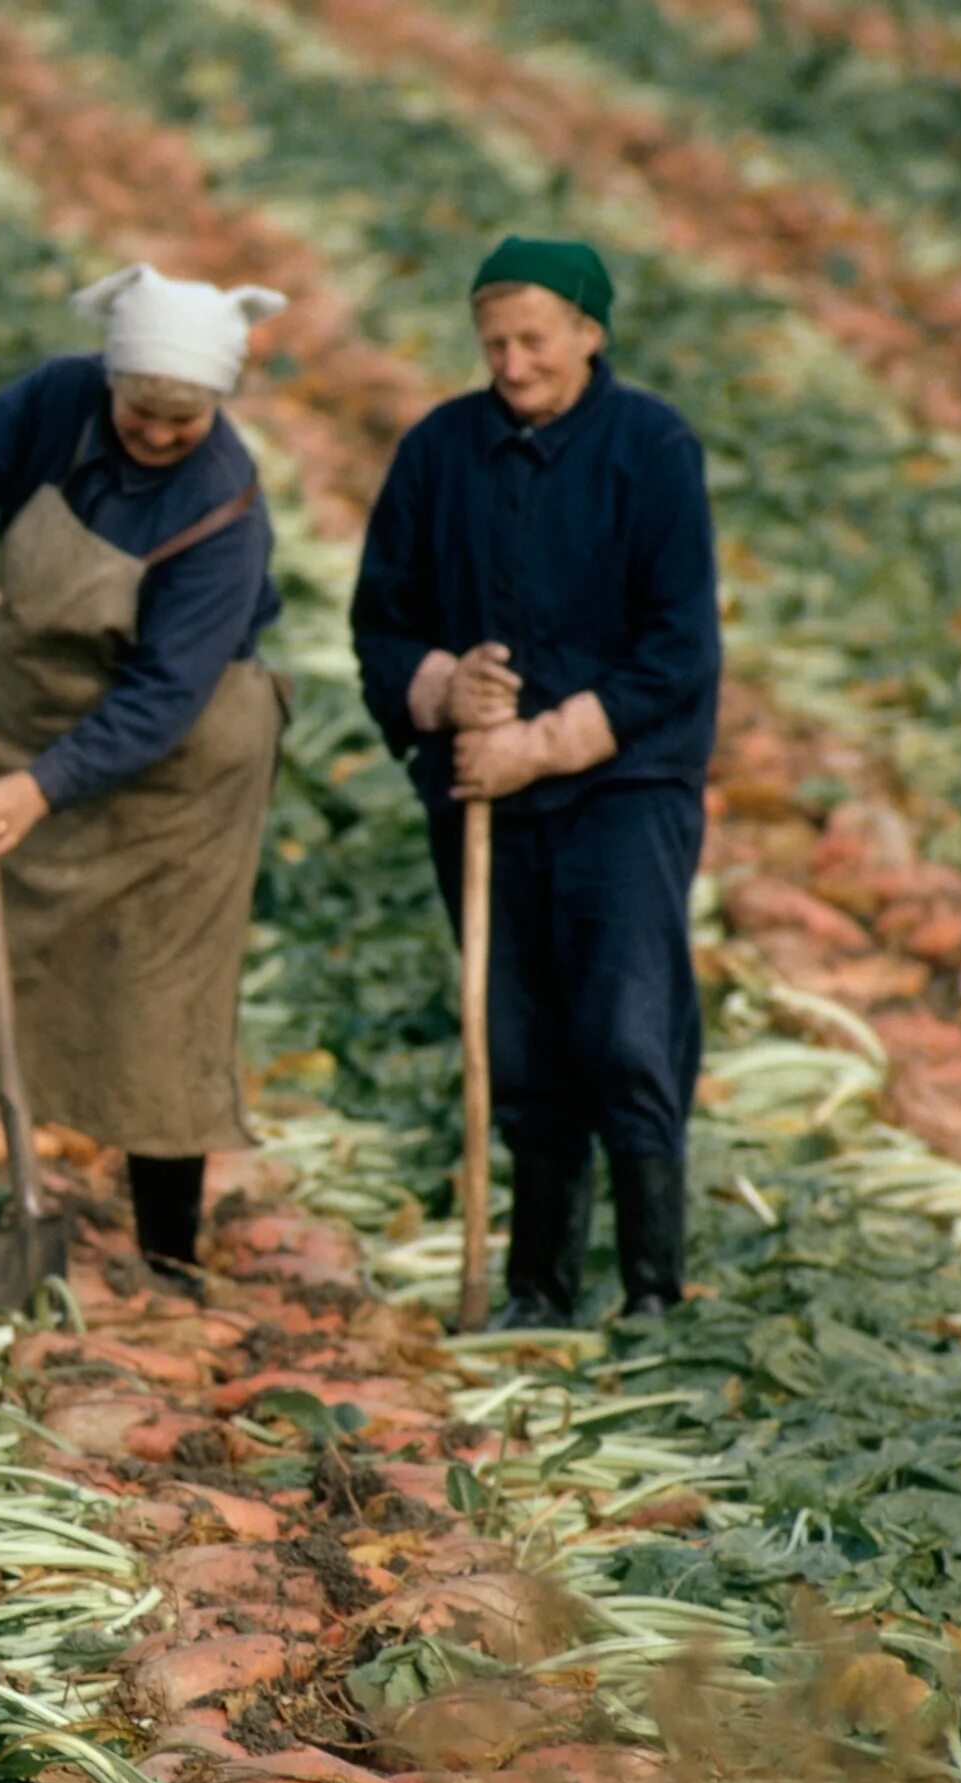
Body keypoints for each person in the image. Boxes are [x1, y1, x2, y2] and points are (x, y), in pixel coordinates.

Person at [0, 265, 292, 1286]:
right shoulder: (55, 402)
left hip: (175, 773)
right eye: (143, 409)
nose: (158, 432)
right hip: (20, 711)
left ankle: (169, 1260)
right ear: (113, 381)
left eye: (184, 420)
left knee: (157, 999)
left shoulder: (226, 509)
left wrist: (40, 790)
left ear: (217, 406)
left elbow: (162, 696)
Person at [351, 237, 720, 1328]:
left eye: (534, 341)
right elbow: (381, 621)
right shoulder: (439, 452)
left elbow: (677, 652)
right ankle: (537, 1286)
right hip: (481, 797)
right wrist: (438, 686)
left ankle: (653, 1288)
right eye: (493, 343)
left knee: (622, 1028)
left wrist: (546, 742)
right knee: (516, 1039)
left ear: (589, 335)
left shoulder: (651, 448)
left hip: (622, 786)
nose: (512, 365)